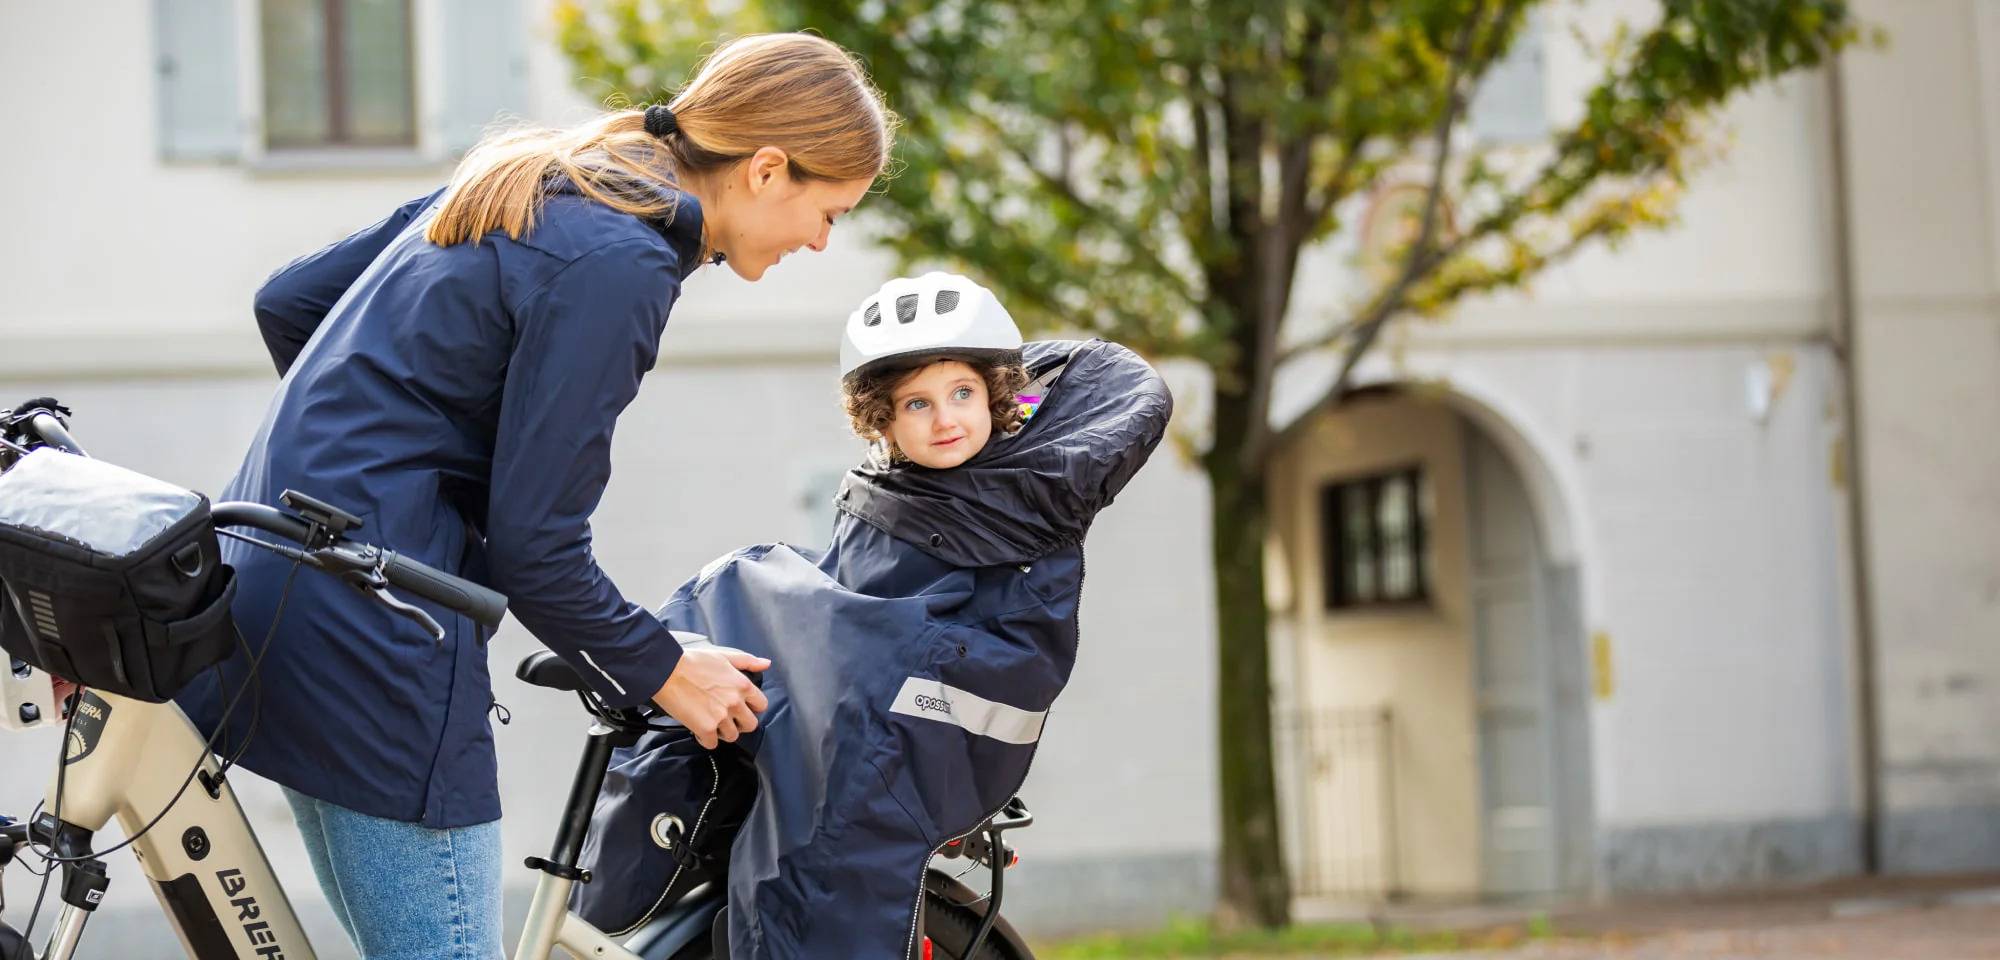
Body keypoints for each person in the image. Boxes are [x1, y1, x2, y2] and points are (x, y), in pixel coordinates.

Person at [174, 33, 897, 960]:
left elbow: (289, 302)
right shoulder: (621, 260)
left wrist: (386, 458)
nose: (820, 240)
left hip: (274, 575)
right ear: (765, 169)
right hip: (377, 625)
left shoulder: (543, 174)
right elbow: (536, 547)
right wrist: (666, 670)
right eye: (828, 211)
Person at [573, 273, 1176, 958]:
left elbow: (1075, 380)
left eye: (963, 394)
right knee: (730, 587)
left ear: (998, 399)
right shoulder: (898, 478)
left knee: (832, 800)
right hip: (871, 630)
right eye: (917, 403)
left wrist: (1007, 390)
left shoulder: (1024, 471)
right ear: (881, 420)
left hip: (955, 660)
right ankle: (625, 864)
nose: (946, 418)